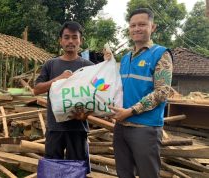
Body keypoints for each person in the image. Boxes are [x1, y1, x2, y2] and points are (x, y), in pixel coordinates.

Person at [107, 8, 173, 178]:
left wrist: (130, 111)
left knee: (148, 174)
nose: (137, 28)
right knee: (124, 174)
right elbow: (116, 88)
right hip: (121, 127)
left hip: (145, 128)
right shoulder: (126, 58)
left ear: (153, 27)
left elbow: (162, 93)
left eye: (142, 24)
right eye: (133, 25)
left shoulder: (160, 54)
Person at [33, 21, 94, 173]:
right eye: (66, 37)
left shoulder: (89, 66)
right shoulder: (51, 65)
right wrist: (57, 79)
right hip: (55, 128)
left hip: (78, 128)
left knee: (77, 170)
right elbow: (36, 90)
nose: (71, 41)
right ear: (60, 40)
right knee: (53, 170)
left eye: (75, 37)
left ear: (81, 41)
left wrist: (87, 113)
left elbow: (98, 94)